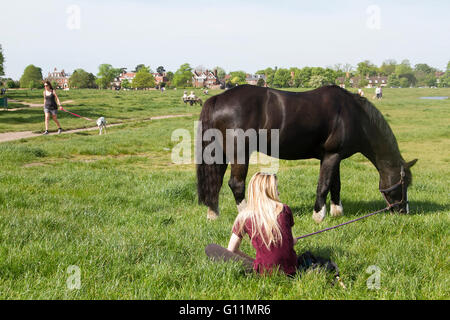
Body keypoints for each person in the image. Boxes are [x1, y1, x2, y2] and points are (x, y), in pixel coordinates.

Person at [205, 172, 343, 283]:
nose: (279, 193)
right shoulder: (284, 210)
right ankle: (263, 264)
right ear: (269, 191)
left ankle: (261, 265)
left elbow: (231, 250)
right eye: (276, 189)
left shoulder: (244, 216)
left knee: (210, 248)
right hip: (292, 271)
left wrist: (252, 262)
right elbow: (288, 242)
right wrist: (291, 241)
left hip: (264, 274)